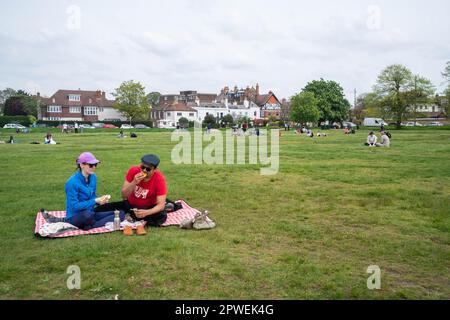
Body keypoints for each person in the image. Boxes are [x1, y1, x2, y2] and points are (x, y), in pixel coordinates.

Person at [95, 154, 168, 227]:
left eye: (148, 169)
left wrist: (147, 212)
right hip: (130, 205)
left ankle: (131, 217)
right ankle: (129, 216)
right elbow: (124, 195)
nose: (144, 170)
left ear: (155, 169)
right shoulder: (133, 171)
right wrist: (134, 182)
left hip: (148, 207)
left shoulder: (159, 179)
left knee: (162, 215)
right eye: (142, 167)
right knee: (99, 209)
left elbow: (161, 205)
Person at [65, 152, 125, 230]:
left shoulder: (93, 177)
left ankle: (90, 225)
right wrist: (94, 201)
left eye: (95, 165)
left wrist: (100, 201)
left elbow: (92, 197)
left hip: (91, 212)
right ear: (82, 165)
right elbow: (74, 206)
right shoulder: (72, 182)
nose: (94, 167)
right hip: (75, 216)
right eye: (91, 165)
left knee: (120, 213)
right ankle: (92, 224)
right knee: (87, 215)